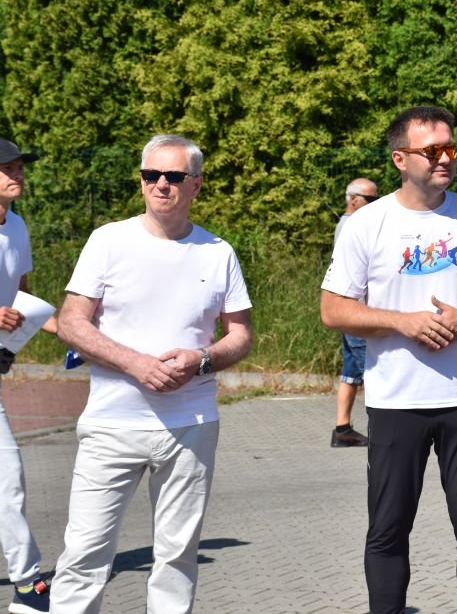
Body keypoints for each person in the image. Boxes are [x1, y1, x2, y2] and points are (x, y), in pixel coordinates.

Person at [320, 106, 457, 614]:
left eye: (451, 148)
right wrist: (402, 322)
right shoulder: (367, 224)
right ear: (400, 158)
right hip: (396, 401)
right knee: (388, 529)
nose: (445, 158)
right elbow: (333, 309)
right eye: (432, 150)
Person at [51, 134, 253, 614]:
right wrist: (135, 363)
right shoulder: (108, 240)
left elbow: (241, 334)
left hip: (191, 426)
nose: (161, 184)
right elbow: (71, 322)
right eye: (151, 175)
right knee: (84, 554)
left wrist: (201, 360)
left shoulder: (217, 251)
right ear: (141, 180)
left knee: (177, 557)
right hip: (112, 423)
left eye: (174, 176)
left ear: (196, 184)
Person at [0, 137, 57, 614]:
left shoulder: (17, 226)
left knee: (8, 476)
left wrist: (83, 337)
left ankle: (26, 583)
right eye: (7, 167)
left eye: (19, 166)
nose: (16, 173)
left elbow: (23, 297)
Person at [330, 177, 379, 447]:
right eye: (370, 199)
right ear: (353, 199)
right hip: (357, 311)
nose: (375, 204)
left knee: (351, 372)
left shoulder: (348, 224)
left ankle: (342, 428)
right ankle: (386, 430)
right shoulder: (353, 226)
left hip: (350, 310)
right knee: (374, 372)